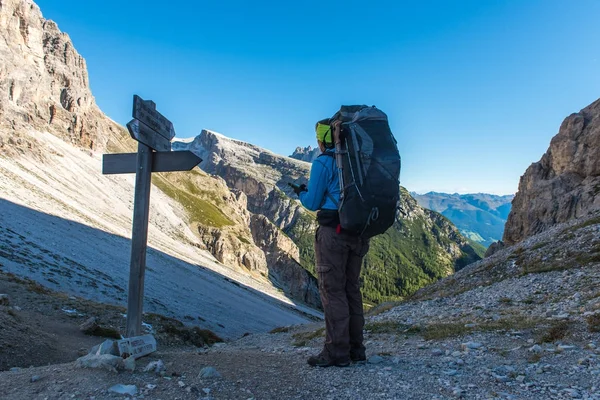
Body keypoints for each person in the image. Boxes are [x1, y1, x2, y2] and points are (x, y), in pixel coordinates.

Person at [291, 118, 370, 367]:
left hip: (332, 233)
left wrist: (301, 193)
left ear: (323, 139)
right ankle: (357, 349)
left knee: (332, 291)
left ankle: (336, 352)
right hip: (358, 232)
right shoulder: (358, 160)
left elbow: (313, 202)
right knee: (351, 289)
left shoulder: (324, 162)